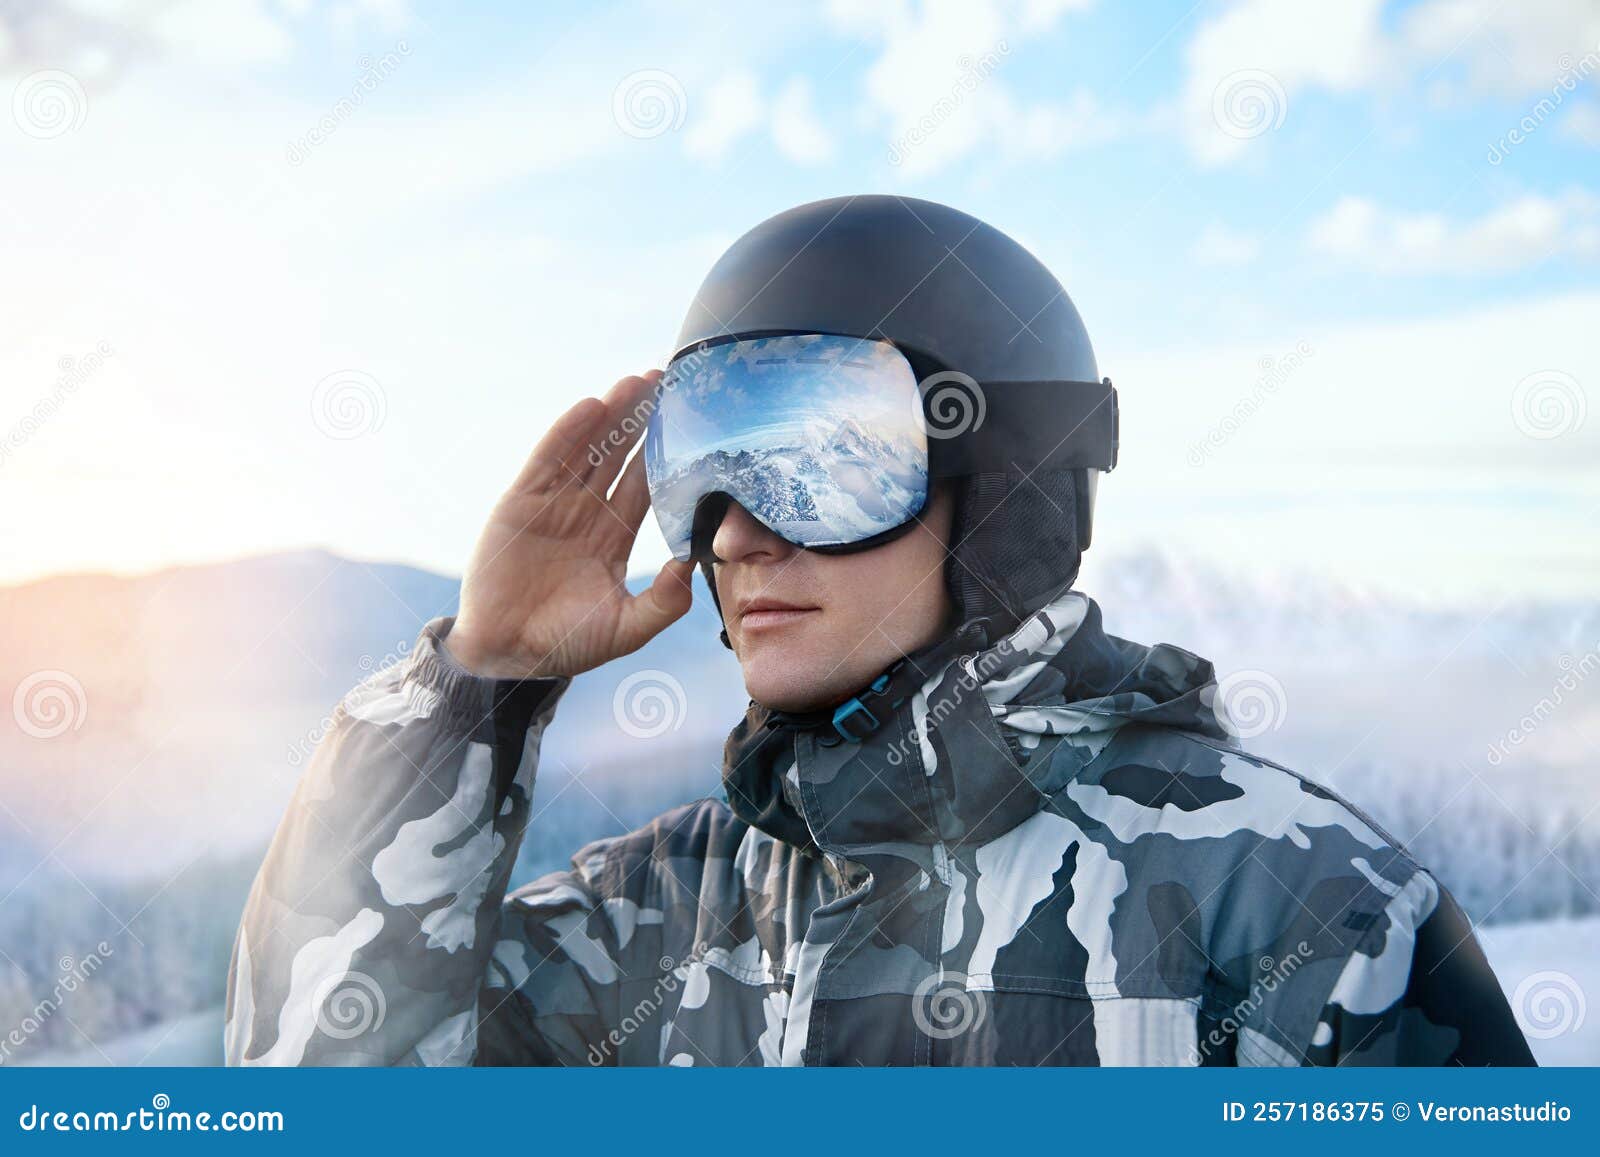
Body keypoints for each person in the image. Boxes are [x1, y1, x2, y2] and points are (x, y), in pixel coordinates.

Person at [224, 195, 1533, 1067]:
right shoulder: (667, 915)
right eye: (709, 467)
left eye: (822, 462)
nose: (735, 533)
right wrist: (477, 685)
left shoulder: (1297, 907)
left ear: (1003, 486)